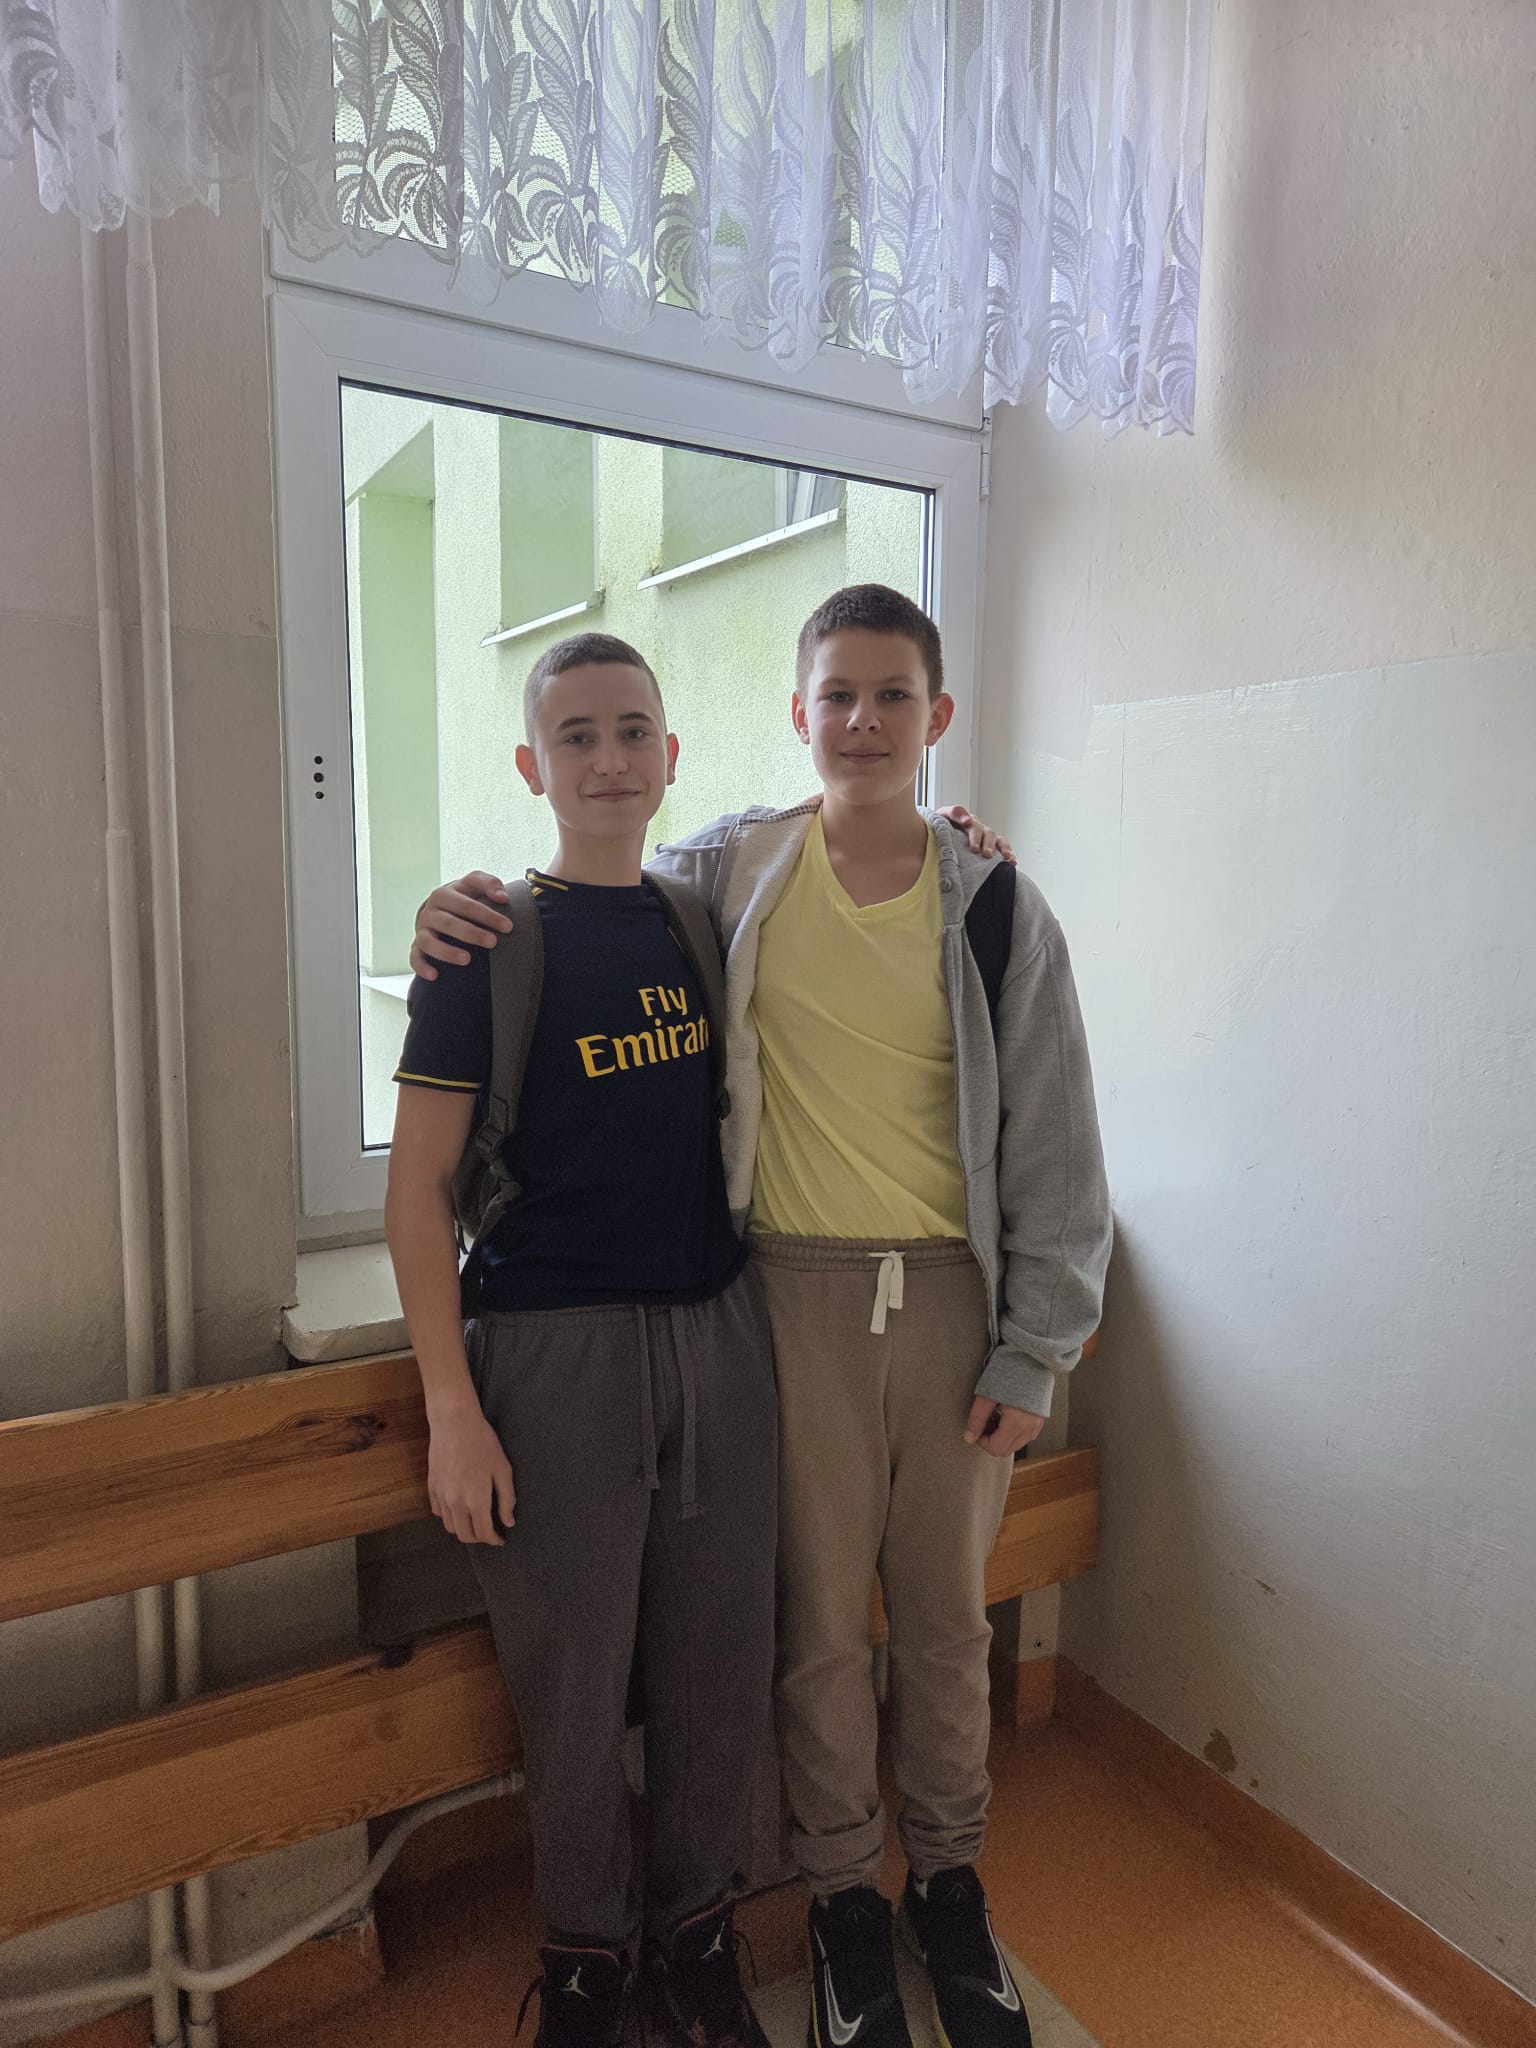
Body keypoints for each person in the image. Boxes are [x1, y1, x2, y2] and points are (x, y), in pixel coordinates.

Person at [412, 587, 1112, 2048]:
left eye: (893, 696)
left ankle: (944, 1890)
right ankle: (836, 1906)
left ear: (938, 715)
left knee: (931, 1625)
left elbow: (1056, 1137)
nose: (863, 721)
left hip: (926, 1307)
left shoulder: (985, 905)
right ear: (797, 714)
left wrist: (1038, 1341)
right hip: (763, 1302)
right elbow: (583, 876)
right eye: (837, 696)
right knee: (802, 1635)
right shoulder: (729, 874)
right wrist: (442, 908)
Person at [385, 632, 778, 2048]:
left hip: (717, 1337)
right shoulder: (483, 945)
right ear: (530, 765)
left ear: (672, 754)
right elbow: (416, 1196)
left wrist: (967, 829)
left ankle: (696, 1934)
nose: (609, 760)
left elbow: (848, 817)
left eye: (633, 732)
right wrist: (453, 1410)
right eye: (577, 736)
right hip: (552, 1357)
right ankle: (588, 1960)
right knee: (569, 1683)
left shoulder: (699, 919)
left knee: (717, 1670)